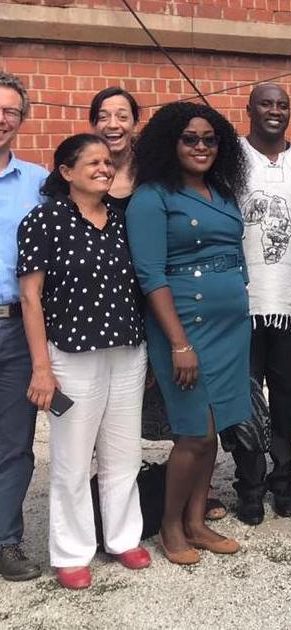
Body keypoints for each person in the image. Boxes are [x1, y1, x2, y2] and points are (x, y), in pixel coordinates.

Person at [18, 134, 150, 590]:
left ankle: (122, 537)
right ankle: (72, 551)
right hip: (72, 356)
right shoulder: (43, 220)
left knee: (124, 452)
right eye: (92, 162)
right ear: (66, 171)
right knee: (73, 459)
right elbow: (31, 298)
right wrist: (41, 368)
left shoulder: (121, 219)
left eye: (108, 162)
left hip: (128, 351)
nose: (104, 168)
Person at [126, 101, 251, 565]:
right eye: (190, 139)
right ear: (168, 142)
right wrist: (179, 343)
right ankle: (170, 526)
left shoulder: (221, 192)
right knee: (193, 433)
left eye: (210, 139)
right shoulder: (152, 196)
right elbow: (151, 276)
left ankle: (198, 522)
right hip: (186, 327)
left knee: (215, 430)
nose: (201, 147)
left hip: (230, 328)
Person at [231, 83, 291, 525]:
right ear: (248, 109)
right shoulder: (229, 156)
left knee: (290, 396)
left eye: (283, 104)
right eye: (266, 103)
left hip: (289, 301)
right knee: (244, 397)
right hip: (241, 302)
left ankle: (283, 479)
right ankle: (248, 484)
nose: (274, 110)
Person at [0, 72, 48, 583]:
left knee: (14, 442)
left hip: (15, 327)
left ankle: (5, 541)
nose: (2, 118)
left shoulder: (37, 183)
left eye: (11, 110)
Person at [88, 87, 139, 212]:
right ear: (93, 125)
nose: (113, 125)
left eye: (122, 117)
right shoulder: (78, 174)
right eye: (103, 117)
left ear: (135, 123)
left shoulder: (152, 169)